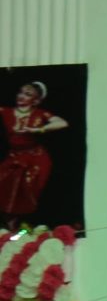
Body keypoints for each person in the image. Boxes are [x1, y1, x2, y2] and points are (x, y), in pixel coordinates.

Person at [2, 79, 70, 225]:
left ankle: (20, 228)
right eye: (21, 92)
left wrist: (38, 130)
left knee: (25, 193)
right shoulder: (6, 112)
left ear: (36, 100)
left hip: (36, 159)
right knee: (6, 189)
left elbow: (62, 123)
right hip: (14, 157)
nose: (21, 96)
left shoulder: (41, 114)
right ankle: (9, 227)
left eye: (28, 94)